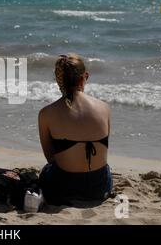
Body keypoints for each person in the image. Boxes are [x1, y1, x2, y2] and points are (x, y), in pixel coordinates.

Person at [38, 53, 112, 205]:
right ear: (85, 76)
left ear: (60, 80)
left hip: (64, 189)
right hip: (99, 188)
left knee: (46, 170)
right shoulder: (104, 108)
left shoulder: (46, 113)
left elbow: (50, 157)